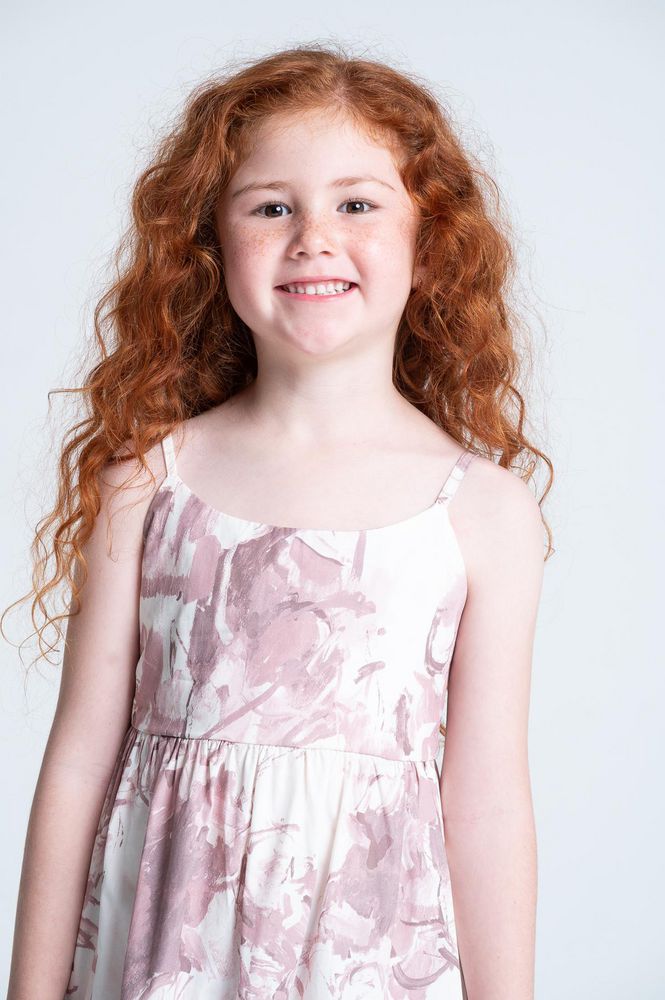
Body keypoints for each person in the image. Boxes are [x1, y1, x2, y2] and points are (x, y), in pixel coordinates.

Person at [5, 43, 551, 1000]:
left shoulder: (481, 513)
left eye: (356, 205)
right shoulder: (148, 486)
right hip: (158, 960)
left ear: (430, 248)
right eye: (270, 208)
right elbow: (78, 765)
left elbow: (488, 804)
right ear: (210, 246)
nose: (312, 239)